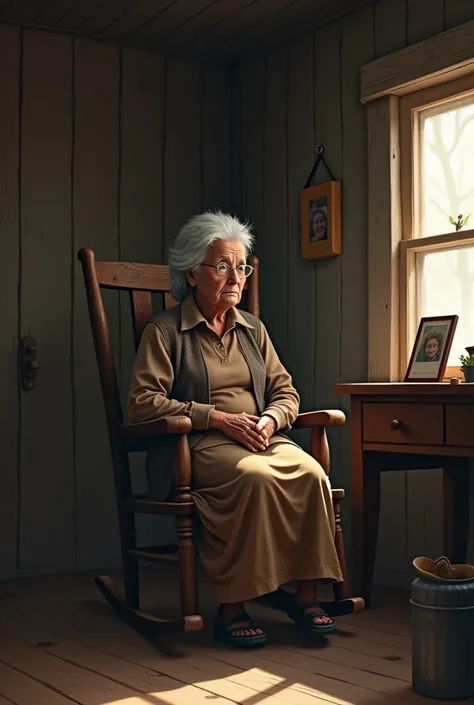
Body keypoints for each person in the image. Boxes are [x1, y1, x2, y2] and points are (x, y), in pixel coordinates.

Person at [128, 211, 343, 648]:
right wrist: (216, 417)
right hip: (199, 444)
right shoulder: (166, 331)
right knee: (254, 477)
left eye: (241, 267)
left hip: (261, 436)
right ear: (192, 272)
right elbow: (141, 403)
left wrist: (268, 419)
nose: (235, 277)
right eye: (223, 266)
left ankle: (305, 595)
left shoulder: (252, 330)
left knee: (311, 474)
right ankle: (232, 609)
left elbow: (286, 393)